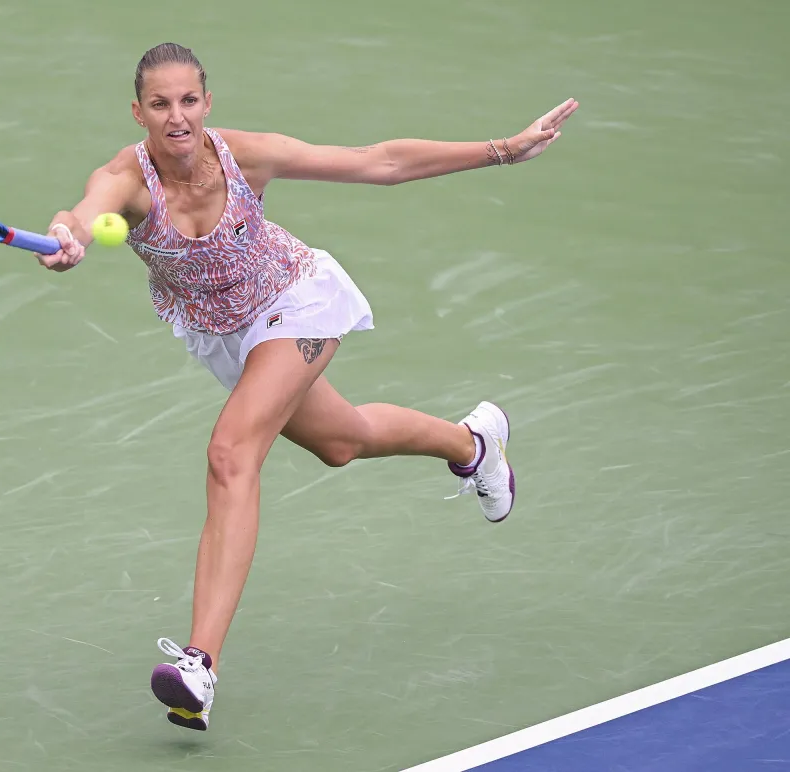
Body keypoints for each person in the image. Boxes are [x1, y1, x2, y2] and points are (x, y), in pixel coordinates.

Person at [34, 42, 578, 731]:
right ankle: (473, 444)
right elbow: (84, 212)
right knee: (343, 441)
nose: (177, 116)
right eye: (160, 104)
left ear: (207, 102)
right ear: (138, 112)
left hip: (296, 301)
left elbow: (379, 162)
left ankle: (200, 664)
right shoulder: (127, 180)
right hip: (227, 337)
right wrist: (68, 235)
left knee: (231, 453)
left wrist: (502, 149)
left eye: (189, 100)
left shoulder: (246, 155)